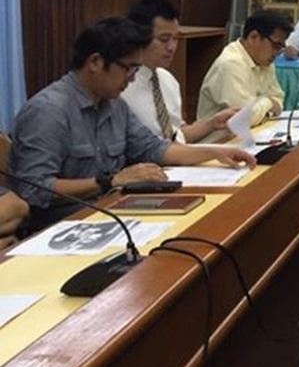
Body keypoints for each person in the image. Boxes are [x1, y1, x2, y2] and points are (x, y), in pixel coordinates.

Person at [8, 18, 256, 230]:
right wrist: (109, 181)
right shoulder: (48, 111)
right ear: (95, 62)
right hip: (65, 226)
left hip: (115, 213)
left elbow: (154, 148)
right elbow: (36, 190)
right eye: (129, 68)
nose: (133, 78)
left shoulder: (114, 104)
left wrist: (215, 152)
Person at [122, 0, 237, 142]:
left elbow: (177, 136)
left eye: (175, 38)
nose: (172, 47)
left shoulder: (168, 80)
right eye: (164, 39)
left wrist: (212, 123)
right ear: (139, 37)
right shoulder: (121, 87)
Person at [197, 10, 292, 128]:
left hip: (254, 132)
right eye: (276, 45)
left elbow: (279, 99)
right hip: (222, 138)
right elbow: (245, 118)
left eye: (281, 47)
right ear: (253, 37)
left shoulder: (264, 62)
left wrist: (263, 108)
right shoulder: (230, 64)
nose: (277, 53)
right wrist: (268, 102)